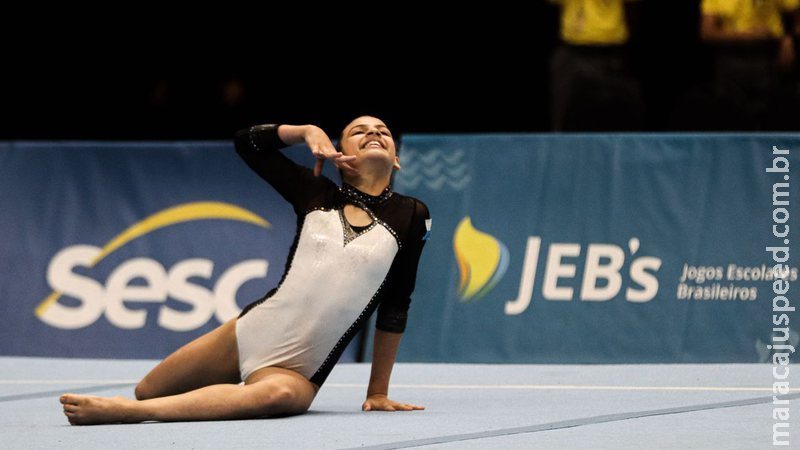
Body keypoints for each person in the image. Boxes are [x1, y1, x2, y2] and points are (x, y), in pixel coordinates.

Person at [59, 116, 431, 425]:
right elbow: (247, 144)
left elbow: (397, 304)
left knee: (280, 395)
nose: (374, 133)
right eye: (359, 130)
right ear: (338, 154)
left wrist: (377, 393)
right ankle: (159, 402)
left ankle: (131, 413)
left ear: (396, 159)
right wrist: (302, 132)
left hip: (300, 370)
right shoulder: (314, 192)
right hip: (248, 332)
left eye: (382, 130)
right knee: (149, 387)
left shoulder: (412, 215)